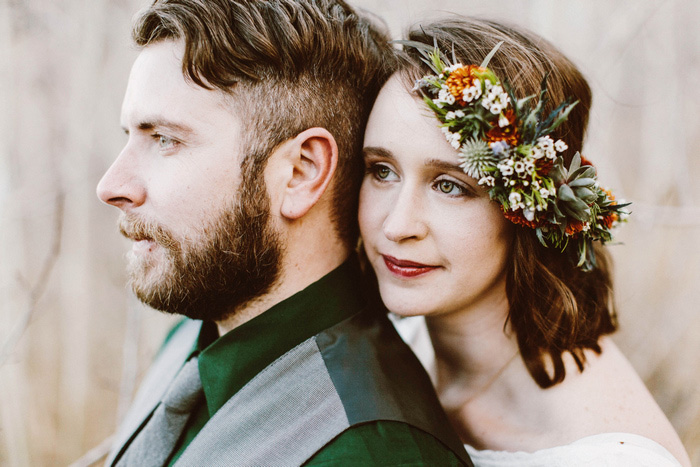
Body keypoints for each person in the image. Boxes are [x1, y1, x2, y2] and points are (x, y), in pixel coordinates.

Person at [96, 1, 473, 465]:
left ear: (300, 172)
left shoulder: (369, 452)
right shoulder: (191, 337)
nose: (112, 186)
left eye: (165, 140)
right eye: (128, 135)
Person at [358, 17, 691, 467]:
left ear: (529, 207)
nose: (397, 226)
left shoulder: (609, 457)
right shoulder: (391, 339)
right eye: (382, 170)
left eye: (450, 185)